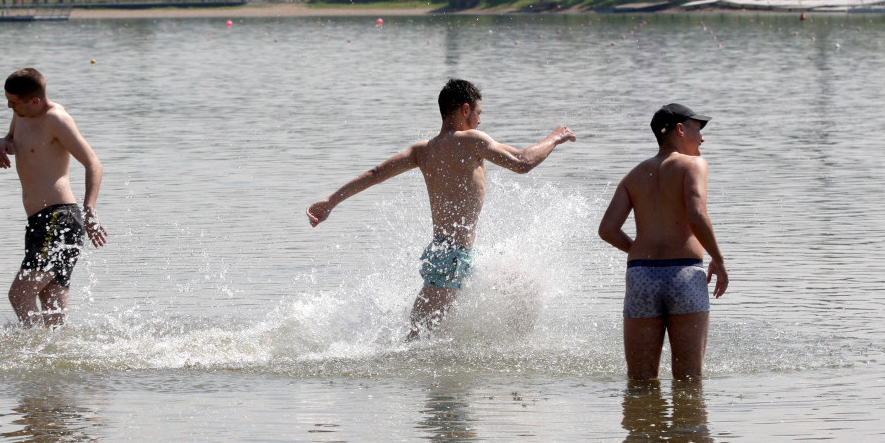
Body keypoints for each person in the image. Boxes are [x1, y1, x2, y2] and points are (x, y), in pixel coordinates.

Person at [306, 78, 576, 338]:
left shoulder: (423, 150)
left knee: (525, 290)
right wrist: (555, 137)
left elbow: (375, 174)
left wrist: (332, 201)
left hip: (461, 257)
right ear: (465, 109)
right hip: (449, 260)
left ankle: (504, 354)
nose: (480, 120)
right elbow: (523, 163)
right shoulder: (473, 141)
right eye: (478, 113)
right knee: (414, 343)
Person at [598, 103, 728, 380]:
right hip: (684, 273)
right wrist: (718, 258)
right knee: (689, 379)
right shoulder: (694, 164)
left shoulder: (634, 175)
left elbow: (607, 230)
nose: (702, 137)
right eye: (698, 129)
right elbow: (696, 214)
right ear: (680, 130)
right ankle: (687, 423)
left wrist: (639, 250)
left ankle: (643, 422)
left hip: (641, 276)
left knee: (640, 380)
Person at [0, 68, 108, 328]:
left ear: (35, 101)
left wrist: (90, 210)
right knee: (53, 311)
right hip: (39, 223)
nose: (9, 106)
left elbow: (94, 163)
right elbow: (13, 139)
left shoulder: (56, 119)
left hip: (58, 220)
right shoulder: (21, 114)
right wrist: (2, 143)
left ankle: (33, 354)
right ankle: (60, 360)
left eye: (14, 102)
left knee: (20, 294)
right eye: (7, 100)